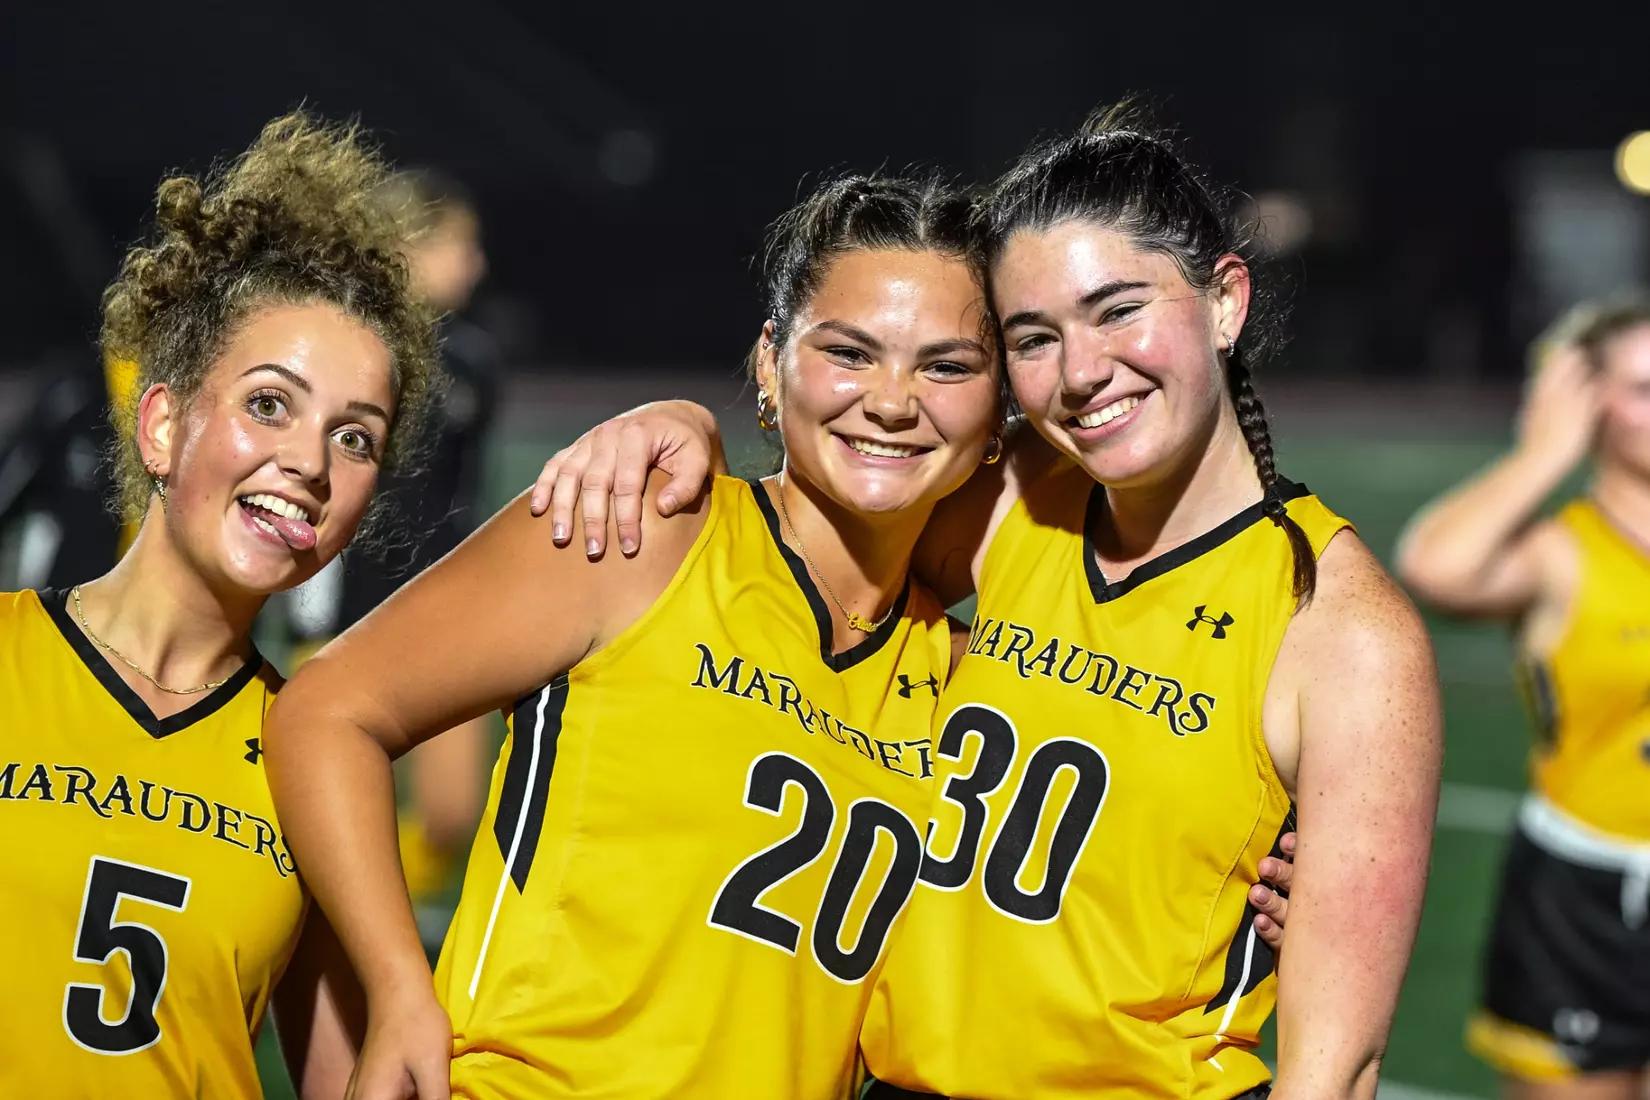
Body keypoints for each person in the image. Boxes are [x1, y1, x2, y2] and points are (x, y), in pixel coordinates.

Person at [535, 104, 1439, 1100]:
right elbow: (813, 539)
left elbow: (1334, 1072)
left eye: (1118, 309)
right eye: (1035, 337)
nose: (1084, 370)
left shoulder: (1344, 631)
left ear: (1224, 299)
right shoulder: (1016, 501)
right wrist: (678, 424)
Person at [262, 172, 1003, 1100]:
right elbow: (325, 712)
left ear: (1000, 407)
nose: (893, 400)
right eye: (849, 352)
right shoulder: (643, 531)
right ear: (771, 363)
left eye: (946, 366)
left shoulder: (973, 681)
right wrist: (400, 989)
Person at [0, 111, 440, 1098]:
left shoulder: (318, 758)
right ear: (162, 423)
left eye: (356, 437)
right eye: (269, 403)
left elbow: (353, 1077)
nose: (309, 463)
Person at [1397, 295, 1650, 1100]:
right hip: (1587, 899)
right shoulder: (1562, 552)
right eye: (1643, 388)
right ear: (1585, 403)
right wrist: (1544, 453)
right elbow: (1436, 566)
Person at [283, 167, 497, 935]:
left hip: (444, 608)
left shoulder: (473, 362)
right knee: (326, 808)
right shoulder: (349, 348)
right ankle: (313, 938)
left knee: (449, 813)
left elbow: (463, 500)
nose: (472, 264)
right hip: (348, 609)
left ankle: (356, 924)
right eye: (458, 245)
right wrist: (311, 614)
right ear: (407, 244)